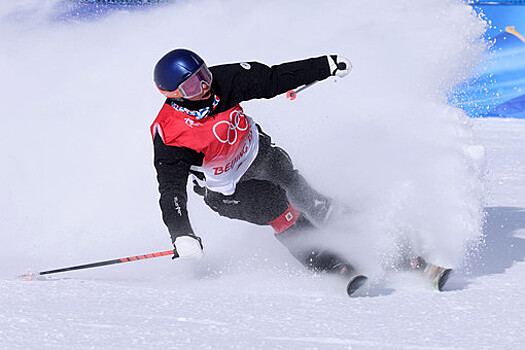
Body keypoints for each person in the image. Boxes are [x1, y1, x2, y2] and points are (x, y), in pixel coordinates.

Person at [150, 49, 361, 285]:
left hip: (260, 155)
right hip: (228, 190)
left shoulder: (223, 81)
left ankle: (349, 223)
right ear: (175, 94)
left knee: (295, 186)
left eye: (204, 75)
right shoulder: (172, 134)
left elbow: (272, 79)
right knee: (277, 206)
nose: (204, 87)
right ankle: (327, 260)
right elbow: (171, 190)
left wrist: (323, 65)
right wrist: (181, 233)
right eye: (192, 87)